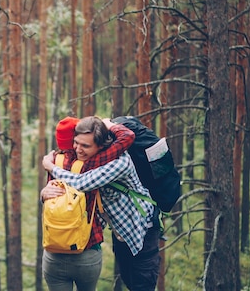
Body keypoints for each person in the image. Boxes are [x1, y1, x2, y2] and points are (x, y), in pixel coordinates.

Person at [42, 116, 161, 291]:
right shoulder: (92, 160)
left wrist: (51, 167)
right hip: (122, 231)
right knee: (129, 279)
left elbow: (82, 183)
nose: (78, 150)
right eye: (76, 143)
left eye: (85, 146)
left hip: (141, 230)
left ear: (101, 146)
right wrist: (44, 192)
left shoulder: (119, 162)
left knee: (142, 285)